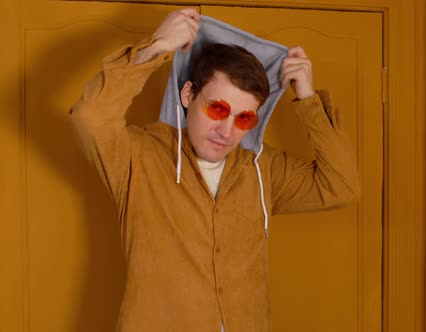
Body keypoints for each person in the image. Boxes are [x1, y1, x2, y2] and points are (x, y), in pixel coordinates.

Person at [70, 8, 359, 332]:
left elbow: (341, 186)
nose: (227, 130)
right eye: (217, 108)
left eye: (244, 118)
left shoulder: (262, 167)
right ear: (188, 94)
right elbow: (90, 118)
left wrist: (307, 98)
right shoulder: (138, 156)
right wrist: (156, 48)